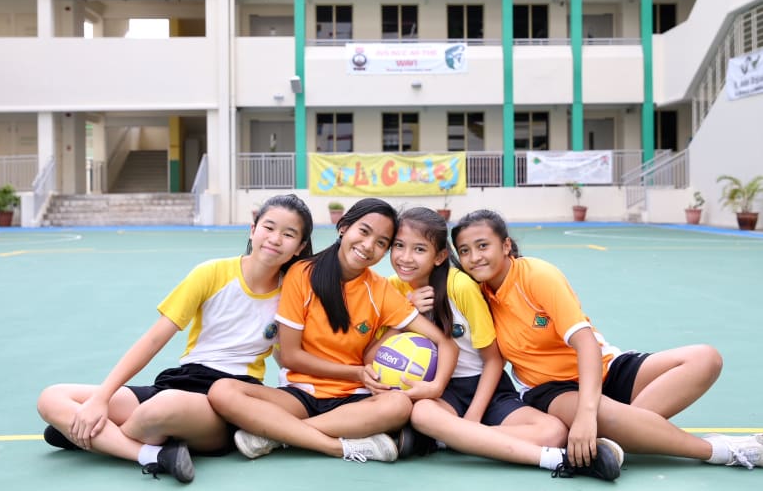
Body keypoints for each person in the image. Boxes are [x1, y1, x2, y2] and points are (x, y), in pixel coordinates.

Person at [450, 208, 763, 472]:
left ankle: (620, 433)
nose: (474, 257)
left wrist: (586, 417)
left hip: (604, 368)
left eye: (482, 246)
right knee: (609, 413)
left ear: (505, 246)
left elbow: (585, 342)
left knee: (705, 358)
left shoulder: (537, 276)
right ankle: (721, 450)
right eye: (465, 251)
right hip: (551, 391)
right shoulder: (475, 293)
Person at [36, 194, 314, 483]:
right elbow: (154, 339)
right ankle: (153, 455)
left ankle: (85, 434)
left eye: (289, 234)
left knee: (162, 408)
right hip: (180, 380)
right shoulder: (211, 272)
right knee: (51, 398)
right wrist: (101, 398)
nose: (275, 238)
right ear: (252, 229)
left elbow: (288, 356)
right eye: (268, 227)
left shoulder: (291, 296)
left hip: (226, 401)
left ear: (300, 247)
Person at [208, 197, 459, 463]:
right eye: (363, 231)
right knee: (223, 391)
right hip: (301, 395)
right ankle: (341, 447)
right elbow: (291, 356)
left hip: (356, 399)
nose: (368, 246)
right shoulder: (302, 274)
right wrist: (356, 372)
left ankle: (278, 435)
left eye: (381, 243)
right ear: (343, 228)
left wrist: (435, 386)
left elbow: (447, 344)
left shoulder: (380, 289)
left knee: (398, 405)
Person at [384, 207, 621, 480]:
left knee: (554, 431)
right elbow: (376, 350)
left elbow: (494, 359)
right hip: (443, 391)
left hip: (485, 385)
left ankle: (443, 439)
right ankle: (556, 459)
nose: (405, 257)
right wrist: (405, 312)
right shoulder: (394, 288)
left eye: (419, 249)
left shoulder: (460, 286)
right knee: (423, 413)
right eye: (398, 246)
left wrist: (471, 418)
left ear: (440, 256)